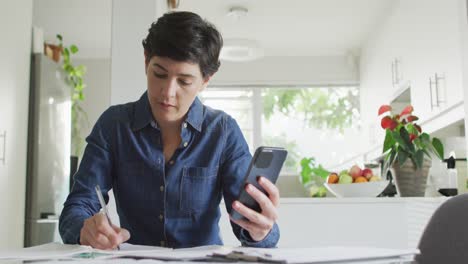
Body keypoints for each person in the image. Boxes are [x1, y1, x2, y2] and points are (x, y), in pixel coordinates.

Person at [59, 11, 280, 250]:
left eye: (184, 81)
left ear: (206, 80)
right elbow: (78, 205)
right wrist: (86, 229)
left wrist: (261, 230)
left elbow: (248, 222)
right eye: (159, 74)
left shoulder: (223, 132)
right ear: (146, 61)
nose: (167, 92)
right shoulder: (114, 125)